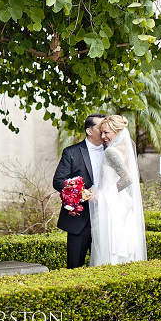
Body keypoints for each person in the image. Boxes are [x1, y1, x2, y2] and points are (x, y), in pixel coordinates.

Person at [89, 115, 147, 266]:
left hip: (112, 206)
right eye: (101, 132)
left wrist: (102, 194)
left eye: (106, 132)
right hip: (121, 204)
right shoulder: (125, 150)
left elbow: (127, 179)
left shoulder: (111, 152)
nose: (103, 136)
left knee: (110, 246)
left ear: (118, 131)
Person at [52, 113, 106, 268]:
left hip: (106, 217)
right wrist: (84, 193)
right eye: (100, 127)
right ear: (89, 131)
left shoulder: (112, 151)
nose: (104, 131)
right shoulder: (72, 152)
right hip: (79, 220)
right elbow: (58, 182)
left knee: (105, 267)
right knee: (74, 267)